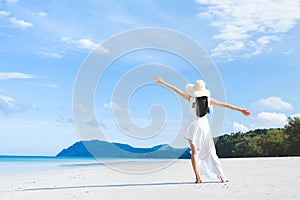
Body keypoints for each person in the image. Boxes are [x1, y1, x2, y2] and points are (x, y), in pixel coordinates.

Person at [153, 76, 251, 183]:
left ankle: (197, 177)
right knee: (211, 151)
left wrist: (163, 82)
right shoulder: (209, 100)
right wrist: (240, 110)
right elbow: (225, 105)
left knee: (194, 152)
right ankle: (221, 176)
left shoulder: (190, 99)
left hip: (192, 126)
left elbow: (177, 90)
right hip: (203, 127)